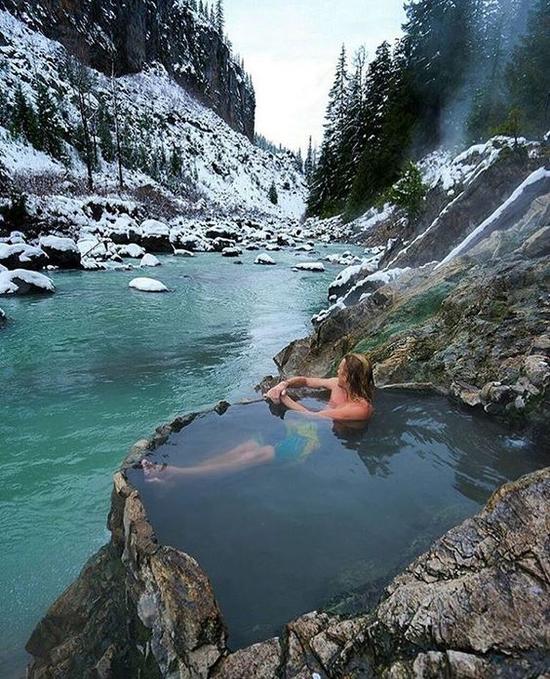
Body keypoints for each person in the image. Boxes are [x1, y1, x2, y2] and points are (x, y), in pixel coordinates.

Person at [142, 353, 374, 481]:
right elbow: (305, 380)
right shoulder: (337, 385)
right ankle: (178, 475)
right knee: (243, 448)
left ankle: (174, 474)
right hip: (301, 429)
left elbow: (316, 417)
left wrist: (282, 397)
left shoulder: (360, 407)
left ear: (352, 377)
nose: (337, 373)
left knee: (255, 455)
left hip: (315, 443)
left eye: (342, 371)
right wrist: (284, 383)